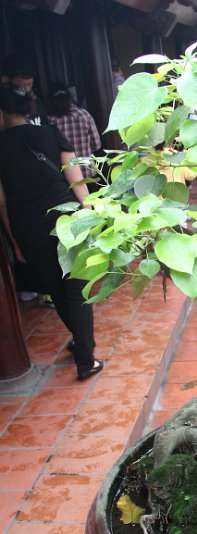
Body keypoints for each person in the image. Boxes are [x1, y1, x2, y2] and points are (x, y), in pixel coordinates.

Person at [0, 83, 103, 380]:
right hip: (66, 219)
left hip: (27, 225)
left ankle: (81, 342)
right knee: (76, 290)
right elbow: (77, 182)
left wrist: (13, 239)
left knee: (57, 290)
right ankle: (86, 358)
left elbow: (2, 202)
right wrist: (91, 213)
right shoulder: (50, 133)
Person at [47, 83, 101, 177]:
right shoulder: (83, 115)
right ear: (70, 97)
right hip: (87, 170)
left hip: (66, 175)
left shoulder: (50, 120)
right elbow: (96, 145)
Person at [1, 54, 49, 126]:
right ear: (5, 80)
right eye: (22, 86)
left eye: (29, 84)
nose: (26, 89)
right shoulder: (3, 109)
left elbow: (46, 125)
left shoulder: (36, 101)